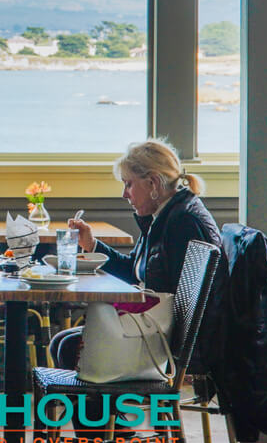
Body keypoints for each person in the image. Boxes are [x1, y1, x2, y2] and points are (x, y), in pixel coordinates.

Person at [49, 138, 227, 375]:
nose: (125, 194)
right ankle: (99, 410)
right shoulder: (164, 215)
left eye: (128, 184)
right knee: (62, 341)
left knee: (70, 346)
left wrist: (120, 307)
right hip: (157, 324)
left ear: (153, 182)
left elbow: (179, 302)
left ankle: (100, 409)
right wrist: (91, 245)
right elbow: (136, 269)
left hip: (172, 341)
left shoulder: (183, 223)